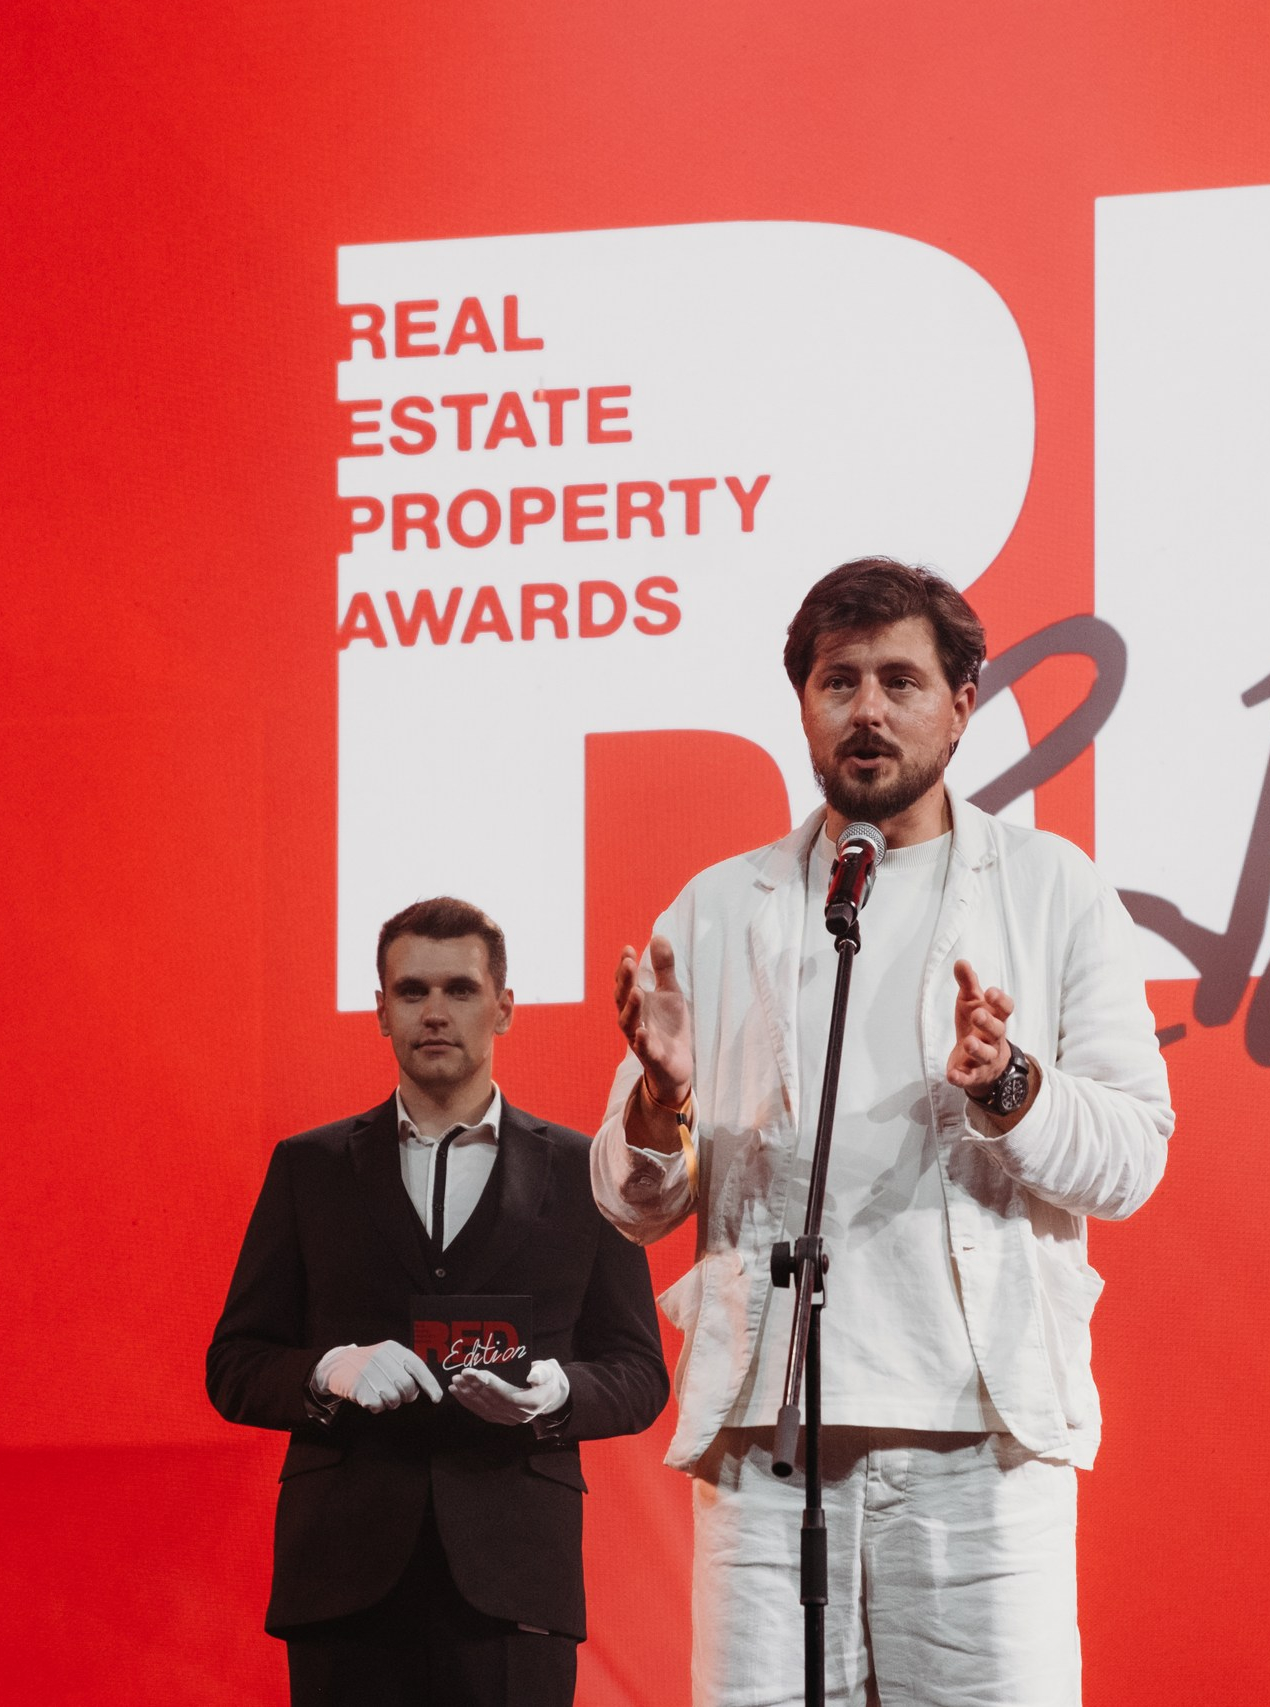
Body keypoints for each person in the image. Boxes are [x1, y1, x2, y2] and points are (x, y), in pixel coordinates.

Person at [592, 558, 1174, 1707]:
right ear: (802, 703)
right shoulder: (718, 906)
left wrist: (1010, 1086)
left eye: (899, 681)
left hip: (981, 1451)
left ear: (961, 703)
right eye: (838, 681)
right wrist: (660, 1102)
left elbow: (1132, 1158)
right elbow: (628, 1201)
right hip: (768, 1451)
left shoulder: (1051, 888)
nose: (866, 709)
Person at [209, 897, 670, 1707]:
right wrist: (329, 1369)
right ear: (380, 1010)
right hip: (343, 1577)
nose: (434, 1011)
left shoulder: (584, 1171)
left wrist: (555, 1391)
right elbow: (235, 1364)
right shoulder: (308, 1168)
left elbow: (639, 1371)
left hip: (515, 1581)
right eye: (411, 990)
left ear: (505, 1007)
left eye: (459, 988)